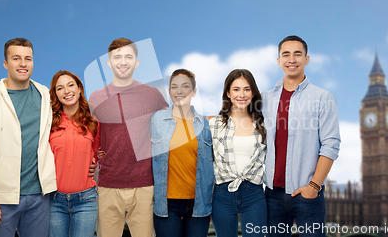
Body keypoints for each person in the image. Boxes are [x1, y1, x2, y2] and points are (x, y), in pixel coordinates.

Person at [0, 38, 57, 237]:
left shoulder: (45, 95)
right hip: (2, 199)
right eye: (16, 58)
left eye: (28, 58)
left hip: (40, 196)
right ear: (5, 64)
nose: (23, 64)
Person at [89, 37, 168, 237]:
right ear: (109, 63)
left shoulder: (153, 94)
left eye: (128, 57)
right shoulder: (96, 97)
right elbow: (89, 136)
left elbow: (169, 128)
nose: (123, 62)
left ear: (136, 62)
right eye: (117, 57)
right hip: (107, 184)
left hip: (144, 184)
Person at [262, 35, 340, 237]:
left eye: (298, 54)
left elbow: (331, 144)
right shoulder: (265, 99)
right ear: (279, 61)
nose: (291, 59)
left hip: (307, 195)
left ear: (307, 59)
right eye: (286, 55)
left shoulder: (323, 97)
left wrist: (314, 187)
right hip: (272, 196)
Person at [151, 69, 214, 237]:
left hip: (198, 205)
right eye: (174, 87)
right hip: (166, 205)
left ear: (194, 92)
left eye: (185, 86)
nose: (179, 91)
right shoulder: (156, 120)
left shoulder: (205, 125)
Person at [209, 69, 267, 237]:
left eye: (247, 89)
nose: (241, 94)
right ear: (228, 93)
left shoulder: (263, 125)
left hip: (254, 194)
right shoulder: (214, 124)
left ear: (253, 93)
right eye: (236, 89)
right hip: (222, 194)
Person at [48, 70, 99, 237]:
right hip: (53, 200)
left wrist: (94, 164)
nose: (67, 91)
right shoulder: (49, 122)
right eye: (60, 88)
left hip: (86, 199)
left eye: (71, 85)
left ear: (79, 88)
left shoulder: (93, 121)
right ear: (55, 94)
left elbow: (98, 153)